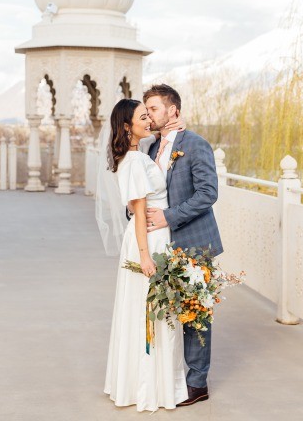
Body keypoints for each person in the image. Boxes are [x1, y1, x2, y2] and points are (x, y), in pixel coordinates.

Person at [103, 98, 188, 411]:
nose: (149, 120)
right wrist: (145, 256)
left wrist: (174, 127)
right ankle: (151, 385)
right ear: (128, 127)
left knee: (148, 309)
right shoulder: (135, 161)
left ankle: (142, 381)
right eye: (143, 116)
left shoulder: (135, 154)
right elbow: (139, 212)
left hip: (153, 235)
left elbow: (157, 137)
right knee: (151, 311)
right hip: (148, 239)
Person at [143, 84, 222, 407]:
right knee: (162, 313)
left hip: (192, 242)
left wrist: (168, 217)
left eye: (155, 108)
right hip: (159, 245)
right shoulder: (149, 149)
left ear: (173, 110)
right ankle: (166, 375)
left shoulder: (196, 144)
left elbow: (207, 194)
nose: (149, 114)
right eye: (146, 109)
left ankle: (197, 383)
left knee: (195, 314)